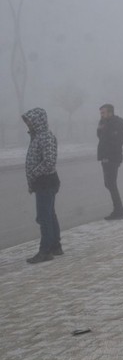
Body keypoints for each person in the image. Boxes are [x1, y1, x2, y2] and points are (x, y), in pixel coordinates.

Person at [22, 108, 61, 263]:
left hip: (46, 182)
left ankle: (45, 251)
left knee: (44, 218)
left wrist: (33, 173)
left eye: (30, 121)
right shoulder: (37, 136)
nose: (28, 124)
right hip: (43, 182)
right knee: (49, 215)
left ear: (38, 121)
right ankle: (56, 246)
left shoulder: (46, 137)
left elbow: (49, 162)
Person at [97, 103, 123, 220]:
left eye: (103, 113)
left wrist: (108, 156)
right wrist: (101, 126)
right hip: (106, 157)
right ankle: (119, 209)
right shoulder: (105, 123)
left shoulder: (116, 124)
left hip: (112, 158)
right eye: (101, 113)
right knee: (109, 184)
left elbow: (114, 142)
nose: (102, 115)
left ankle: (119, 210)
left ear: (110, 112)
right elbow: (100, 136)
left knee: (111, 184)